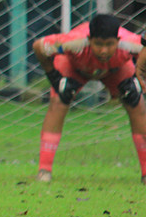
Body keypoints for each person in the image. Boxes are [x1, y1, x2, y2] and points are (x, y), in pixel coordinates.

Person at [34, 13, 146, 184]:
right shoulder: (73, 43)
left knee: (136, 103)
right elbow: (38, 47)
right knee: (59, 102)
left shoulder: (131, 43)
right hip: (74, 67)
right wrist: (54, 78)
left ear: (117, 40)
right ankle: (44, 170)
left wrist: (139, 78)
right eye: (98, 44)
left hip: (115, 68)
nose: (104, 50)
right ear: (89, 39)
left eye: (109, 44)